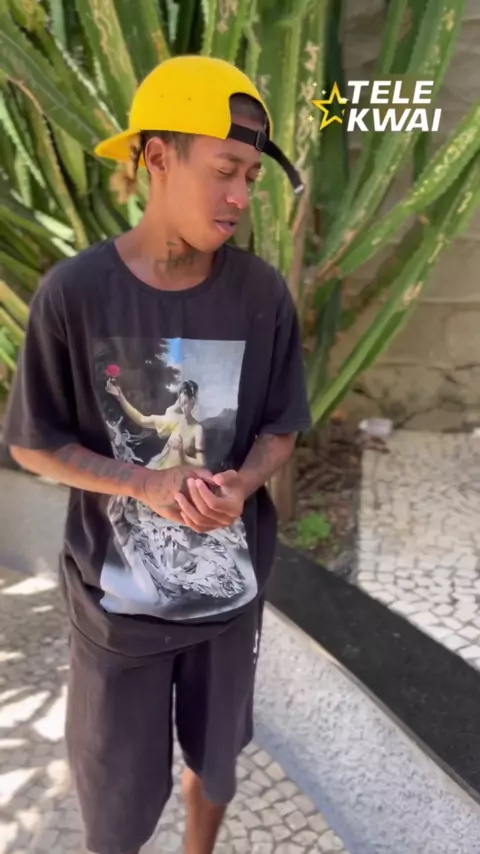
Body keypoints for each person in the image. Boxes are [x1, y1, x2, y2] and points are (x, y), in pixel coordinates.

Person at [3, 54, 311, 854]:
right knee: (116, 798)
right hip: (117, 615)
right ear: (158, 157)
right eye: (224, 170)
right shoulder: (75, 294)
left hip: (228, 601)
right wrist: (142, 483)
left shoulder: (261, 295)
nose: (241, 196)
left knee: (217, 764)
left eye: (251, 177)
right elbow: (34, 442)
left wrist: (243, 483)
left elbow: (281, 425)